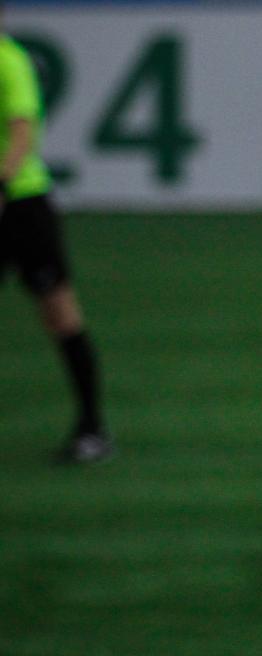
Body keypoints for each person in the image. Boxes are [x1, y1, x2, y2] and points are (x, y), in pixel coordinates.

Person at [0, 16, 112, 463]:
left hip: (23, 205)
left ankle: (92, 427)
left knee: (60, 313)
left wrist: (3, 182)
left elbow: (22, 131)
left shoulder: (8, 61)